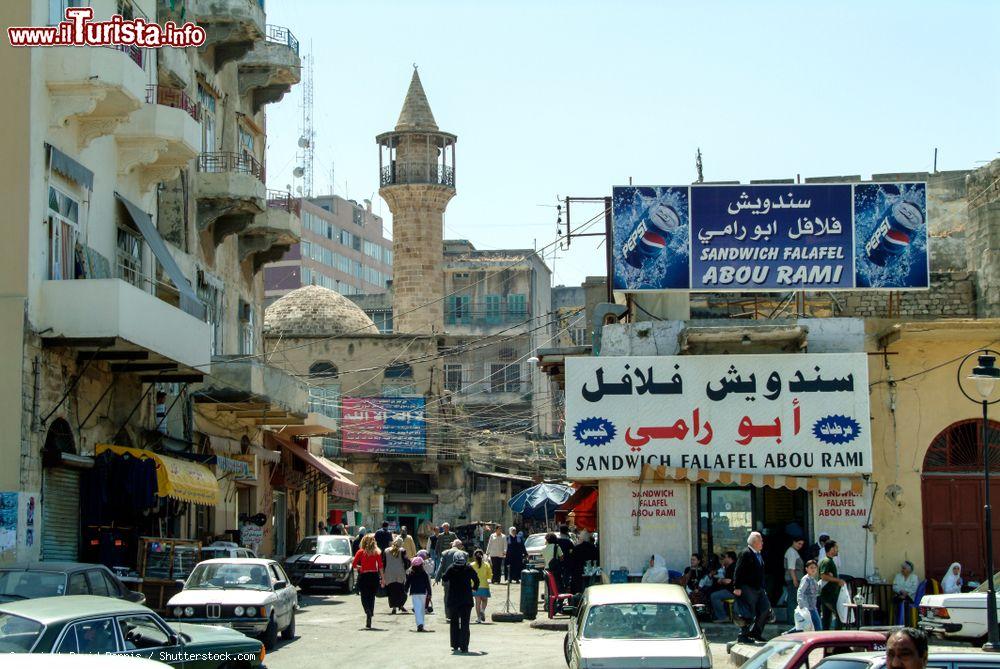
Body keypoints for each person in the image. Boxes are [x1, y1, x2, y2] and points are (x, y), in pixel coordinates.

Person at [733, 531, 771, 644]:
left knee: (765, 609)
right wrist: (737, 587)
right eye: (761, 541)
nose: (762, 543)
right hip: (747, 588)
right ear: (754, 542)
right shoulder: (746, 553)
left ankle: (756, 633)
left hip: (759, 588)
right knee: (747, 613)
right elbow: (738, 571)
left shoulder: (758, 554)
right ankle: (743, 635)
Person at [441, 552, 479, 653]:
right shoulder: (468, 568)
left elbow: (444, 578)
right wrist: (474, 588)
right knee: (465, 623)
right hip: (466, 600)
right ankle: (464, 647)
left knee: (454, 622)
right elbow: (476, 579)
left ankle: (455, 644)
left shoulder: (451, 568)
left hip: (453, 599)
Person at [351, 534, 384, 629]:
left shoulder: (360, 552)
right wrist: (383, 579)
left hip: (364, 576)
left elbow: (353, 564)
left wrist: (360, 567)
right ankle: (370, 613)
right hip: (374, 576)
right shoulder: (376, 552)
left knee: (364, 596)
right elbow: (380, 566)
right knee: (372, 597)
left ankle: (367, 610)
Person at [435, 539, 467, 621]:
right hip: (460, 580)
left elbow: (441, 566)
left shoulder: (445, 553)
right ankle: (458, 614)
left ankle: (448, 615)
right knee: (459, 597)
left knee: (447, 597)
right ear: (459, 546)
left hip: (448, 580)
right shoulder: (464, 554)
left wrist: (437, 578)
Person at [818, 540, 847, 630]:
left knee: (827, 617)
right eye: (836, 548)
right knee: (839, 615)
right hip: (829, 594)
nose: (837, 550)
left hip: (828, 594)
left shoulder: (829, 561)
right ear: (831, 549)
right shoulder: (827, 561)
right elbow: (823, 576)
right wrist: (838, 580)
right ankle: (837, 636)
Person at [383, 537, 409, 614]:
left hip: (389, 573)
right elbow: (406, 563)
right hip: (399, 573)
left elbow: (384, 563)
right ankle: (400, 605)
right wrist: (406, 569)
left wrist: (383, 573)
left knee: (392, 591)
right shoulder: (402, 551)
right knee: (400, 590)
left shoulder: (386, 550)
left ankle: (394, 607)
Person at [406, 556, 432, 632]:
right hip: (423, 593)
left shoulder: (411, 573)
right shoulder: (424, 573)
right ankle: (421, 624)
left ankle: (419, 624)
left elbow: (407, 583)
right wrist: (429, 593)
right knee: (421, 609)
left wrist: (405, 590)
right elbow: (427, 584)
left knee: (417, 609)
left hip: (414, 593)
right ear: (422, 565)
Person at [710, 551, 737, 622]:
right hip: (732, 590)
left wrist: (721, 580)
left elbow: (729, 581)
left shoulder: (733, 567)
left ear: (730, 558)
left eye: (725, 557)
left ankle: (722, 617)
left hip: (733, 591)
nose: (723, 559)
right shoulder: (731, 567)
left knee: (714, 596)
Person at [795, 560, 822, 631]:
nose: (813, 569)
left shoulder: (813, 579)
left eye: (815, 568)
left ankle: (787, 634)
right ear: (806, 569)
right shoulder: (806, 579)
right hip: (807, 608)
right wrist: (801, 605)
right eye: (811, 567)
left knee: (804, 626)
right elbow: (800, 591)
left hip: (812, 607)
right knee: (817, 626)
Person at [784, 538, 805, 627]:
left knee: (794, 599)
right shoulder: (791, 552)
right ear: (794, 542)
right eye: (798, 543)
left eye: (801, 544)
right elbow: (791, 568)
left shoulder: (794, 551)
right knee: (793, 600)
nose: (800, 546)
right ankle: (792, 621)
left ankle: (794, 620)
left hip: (795, 578)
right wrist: (795, 580)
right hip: (793, 579)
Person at [471, 549, 492, 623]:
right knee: (484, 600)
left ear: (474, 556)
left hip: (475, 586)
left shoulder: (472, 565)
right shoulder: (486, 564)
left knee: (477, 602)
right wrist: (489, 579)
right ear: (482, 556)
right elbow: (490, 575)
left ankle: (478, 618)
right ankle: (482, 610)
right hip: (484, 585)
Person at [417, 549, 436, 613]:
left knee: (425, 593)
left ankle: (424, 607)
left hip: (423, 580)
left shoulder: (427, 562)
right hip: (423, 580)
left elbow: (431, 571)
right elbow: (431, 571)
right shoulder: (418, 562)